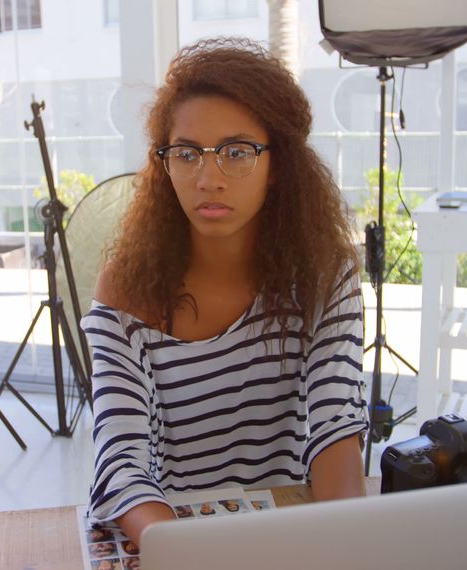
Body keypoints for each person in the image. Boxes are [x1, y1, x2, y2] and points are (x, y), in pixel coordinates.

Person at [83, 37, 368, 546]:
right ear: (163, 164)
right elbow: (120, 462)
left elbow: (335, 428)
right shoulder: (126, 288)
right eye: (187, 154)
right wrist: (188, 555)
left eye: (237, 152)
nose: (208, 178)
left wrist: (347, 543)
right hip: (174, 533)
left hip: (290, 530)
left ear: (277, 163)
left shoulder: (326, 275)